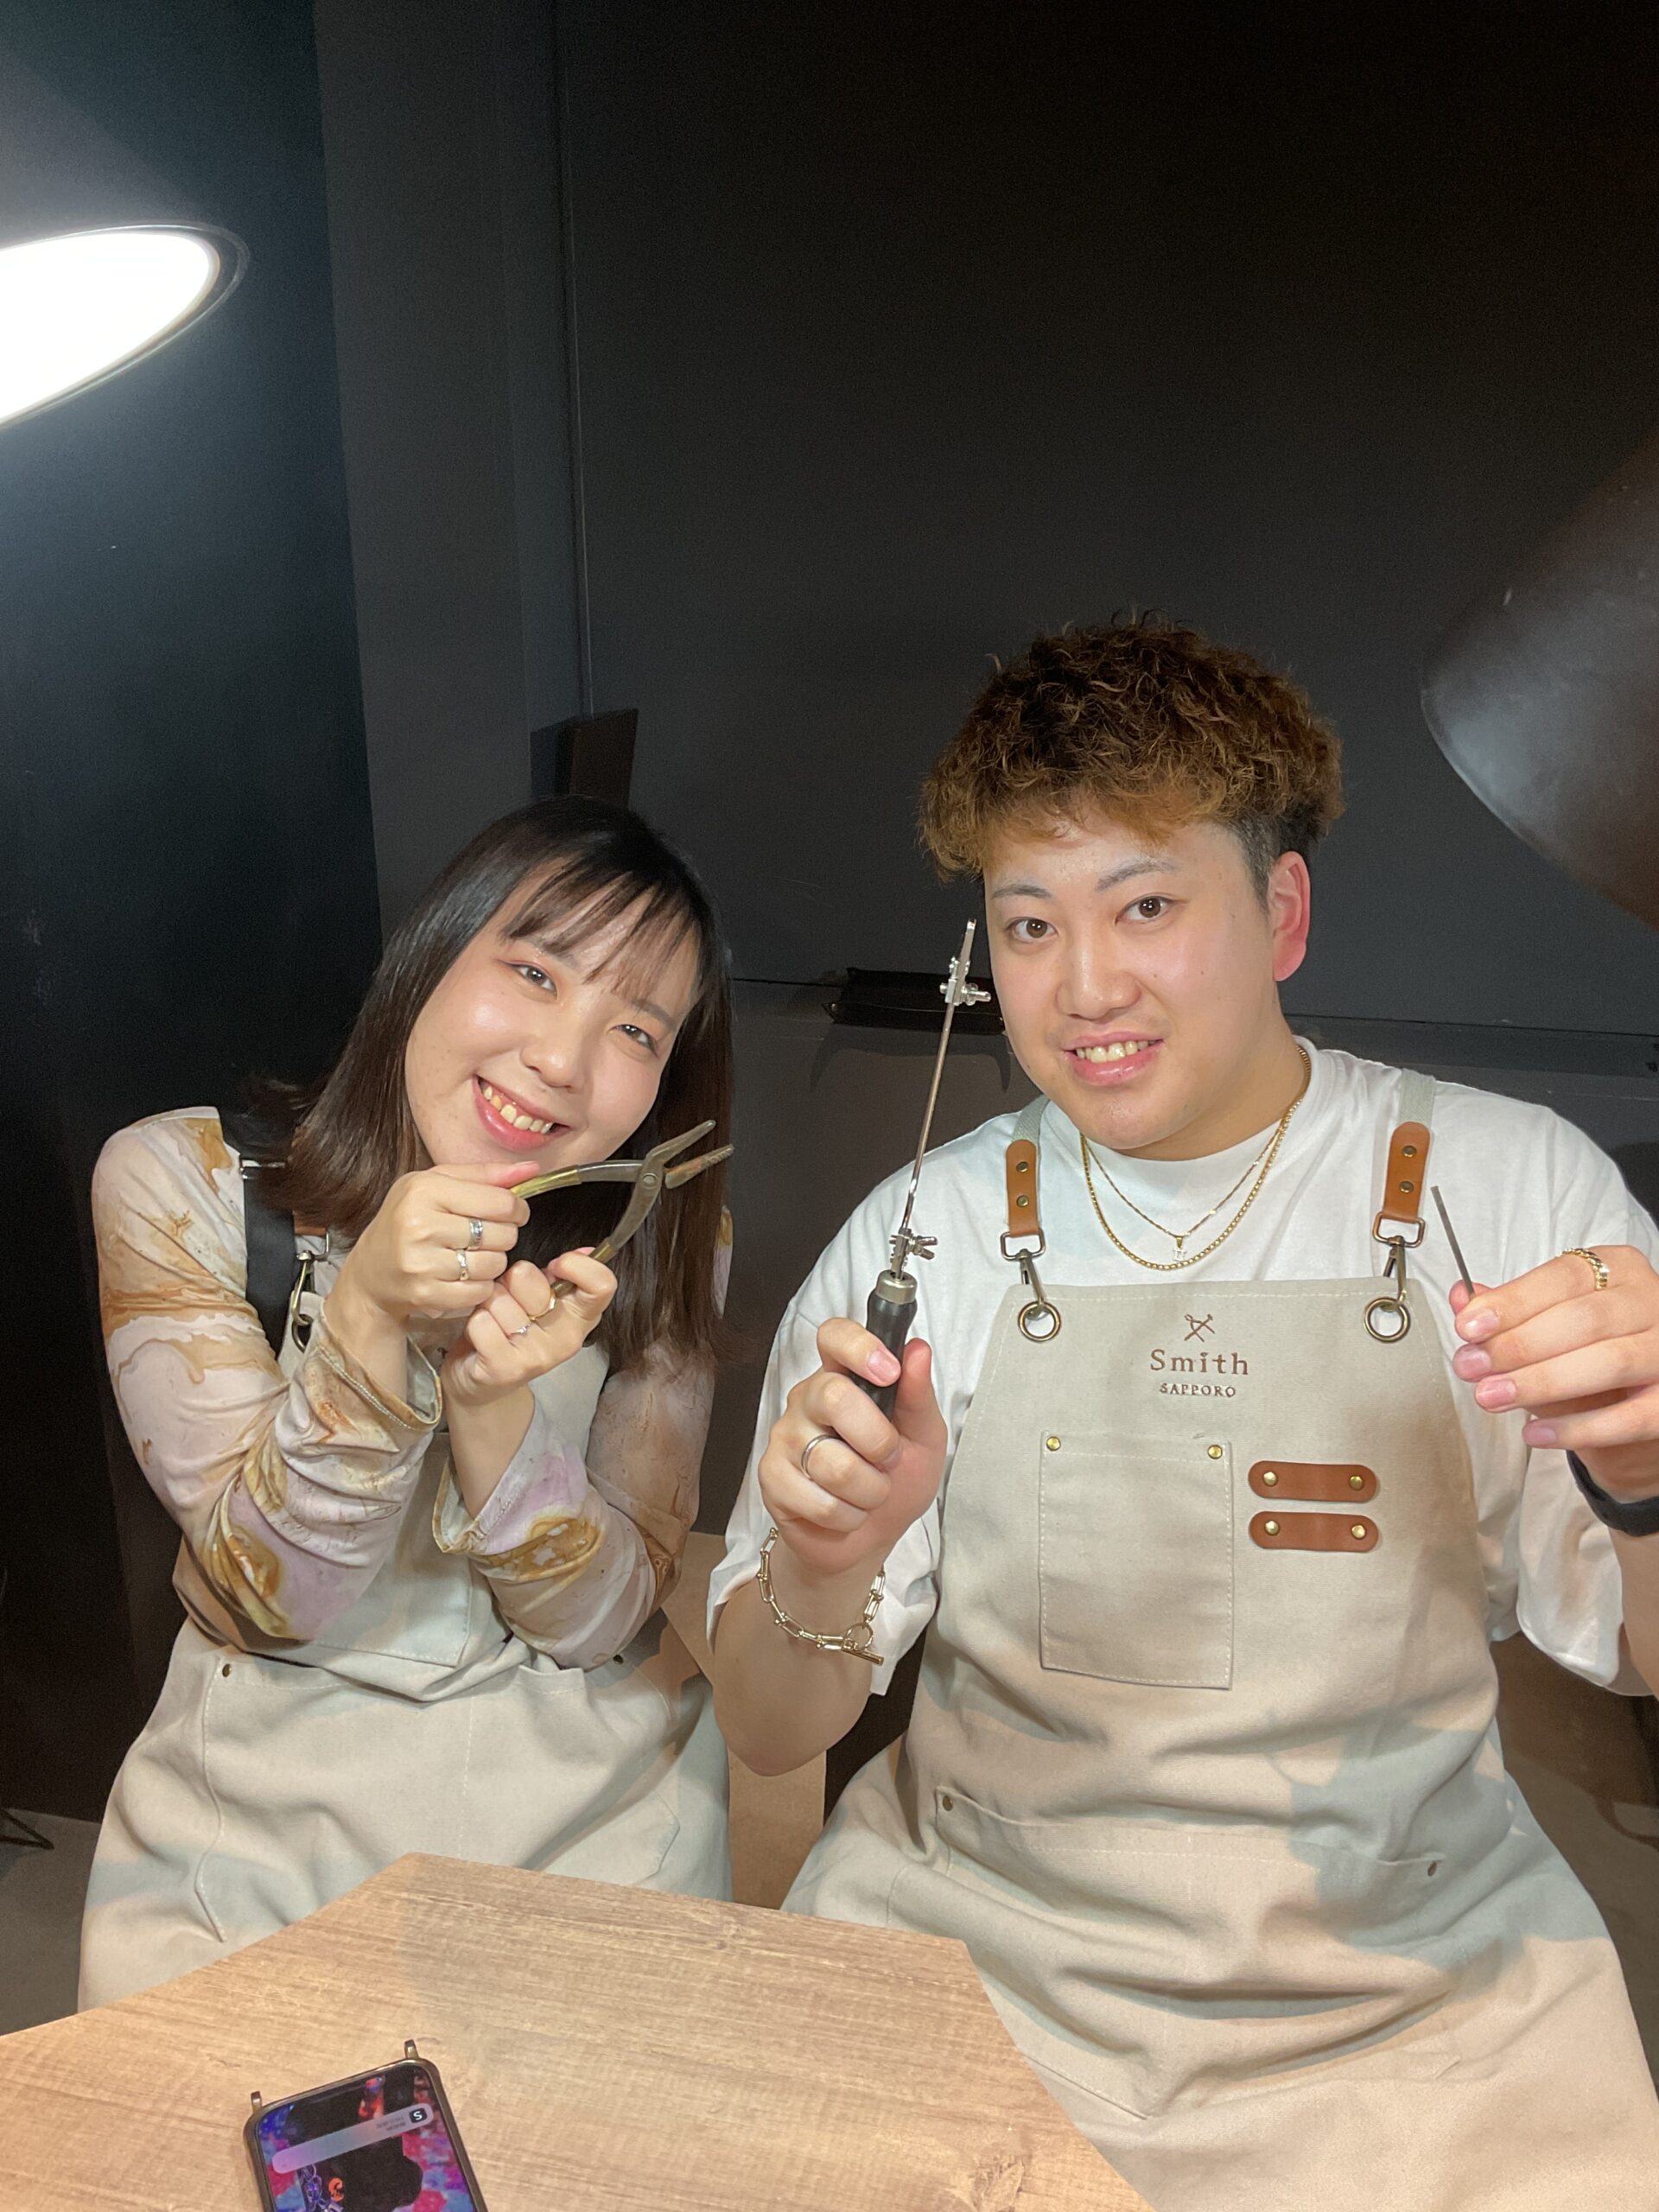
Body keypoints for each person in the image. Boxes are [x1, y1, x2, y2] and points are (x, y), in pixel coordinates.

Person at [710, 621, 1659, 2209]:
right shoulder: (925, 1239)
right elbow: (764, 1728)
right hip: (976, 1962)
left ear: (1284, 913)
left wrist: (1645, 1478)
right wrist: (822, 1559)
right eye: (1029, 924)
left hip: (1412, 1997)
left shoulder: (1509, 1192)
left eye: (1146, 905)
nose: (1085, 988)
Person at [81, 797, 734, 2006]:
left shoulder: (661, 1235)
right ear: (433, 952)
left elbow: (598, 1623)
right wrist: (372, 1320)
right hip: (257, 1835)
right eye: (535, 972)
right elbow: (279, 1600)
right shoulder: (187, 1183)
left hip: (596, 1830)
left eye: (635, 1029)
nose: (563, 1061)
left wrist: (491, 1407)